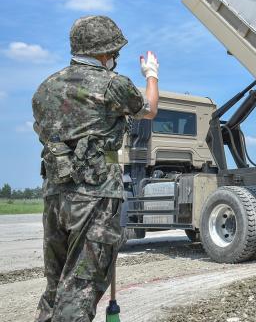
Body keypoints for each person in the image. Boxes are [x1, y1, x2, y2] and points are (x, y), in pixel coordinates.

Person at [32, 16, 160, 321]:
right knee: (80, 287)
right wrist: (151, 75)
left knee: (56, 285)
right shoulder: (113, 85)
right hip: (94, 196)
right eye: (113, 53)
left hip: (55, 195)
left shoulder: (45, 88)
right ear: (105, 53)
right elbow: (150, 109)